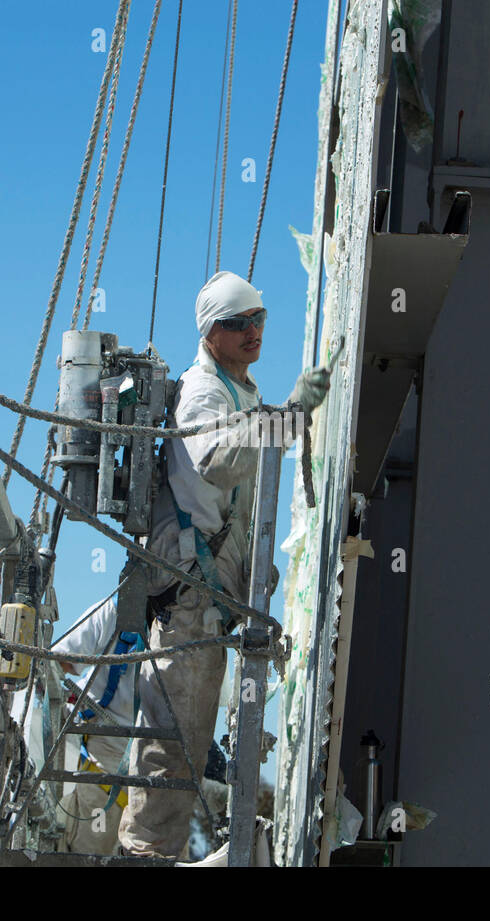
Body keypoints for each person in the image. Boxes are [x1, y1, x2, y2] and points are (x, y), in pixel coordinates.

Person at [117, 271, 331, 858]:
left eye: (259, 319)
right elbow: (217, 461)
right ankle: (144, 855)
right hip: (190, 592)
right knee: (173, 742)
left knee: (188, 735)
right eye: (239, 324)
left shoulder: (241, 391)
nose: (253, 332)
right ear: (211, 333)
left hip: (211, 591)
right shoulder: (203, 392)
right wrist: (289, 416)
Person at [55, 594, 142, 855]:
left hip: (103, 774)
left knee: (85, 857)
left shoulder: (114, 611)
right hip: (155, 783)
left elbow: (61, 662)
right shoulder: (198, 625)